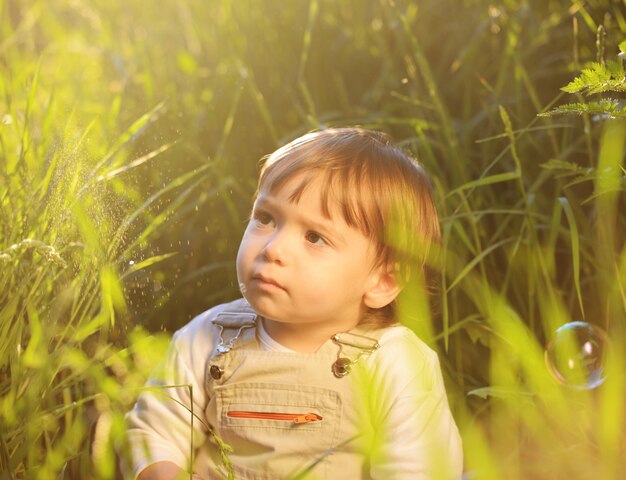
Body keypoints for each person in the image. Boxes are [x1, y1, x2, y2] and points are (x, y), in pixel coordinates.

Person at [124, 128, 463, 479]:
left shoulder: (395, 362)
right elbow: (154, 432)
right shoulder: (208, 337)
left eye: (315, 237)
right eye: (266, 218)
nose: (273, 248)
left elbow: (418, 469)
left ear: (383, 282)